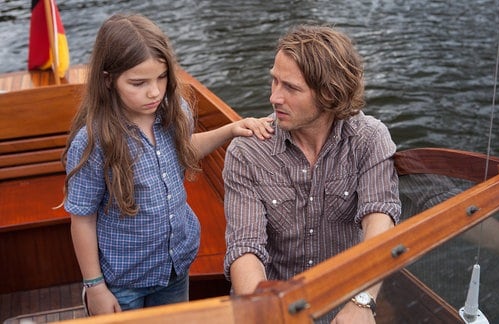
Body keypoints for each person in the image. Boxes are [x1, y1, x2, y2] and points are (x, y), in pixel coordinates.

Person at [62, 13, 273, 315]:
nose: (154, 91)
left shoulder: (175, 110)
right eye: (138, 83)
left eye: (161, 78)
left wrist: (230, 130)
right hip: (124, 280)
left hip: (175, 266)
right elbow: (82, 218)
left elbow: (185, 149)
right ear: (108, 80)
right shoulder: (94, 140)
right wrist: (95, 286)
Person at [223, 25, 401, 323]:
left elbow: (380, 220)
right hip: (272, 308)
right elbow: (245, 249)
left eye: (290, 88)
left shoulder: (370, 139)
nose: (274, 98)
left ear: (329, 93)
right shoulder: (246, 152)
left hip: (346, 304)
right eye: (274, 81)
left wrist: (362, 301)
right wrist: (269, 313)